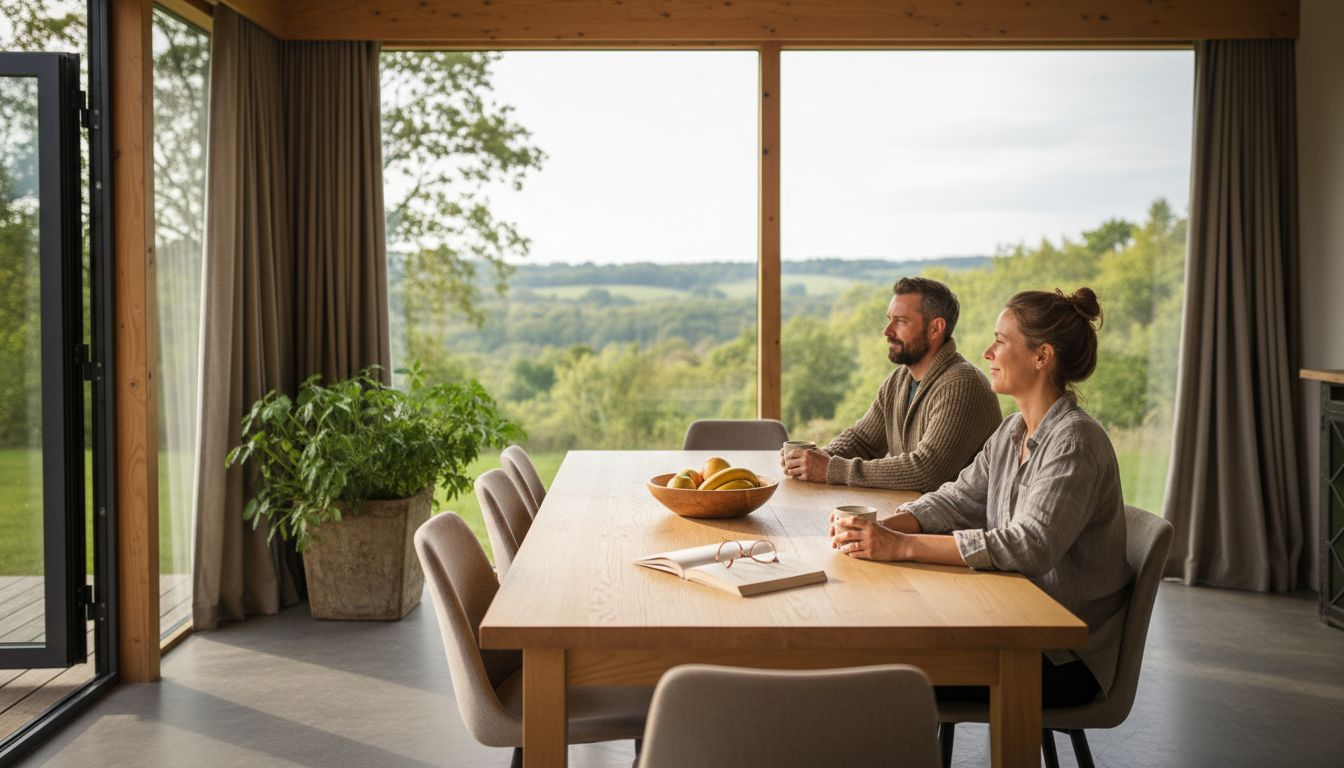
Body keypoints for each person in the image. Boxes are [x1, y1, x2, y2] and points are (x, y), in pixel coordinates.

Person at [829, 287, 1132, 706]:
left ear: (1042, 357)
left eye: (1001, 341)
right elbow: (957, 498)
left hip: (1058, 655)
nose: (988, 352)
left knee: (882, 671)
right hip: (1008, 617)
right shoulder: (1011, 431)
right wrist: (881, 526)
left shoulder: (1075, 441)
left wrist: (902, 545)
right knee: (875, 645)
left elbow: (1029, 546)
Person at [782, 277, 1001, 492]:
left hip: (954, 517)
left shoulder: (962, 385)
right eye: (889, 319)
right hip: (908, 511)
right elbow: (863, 441)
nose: (887, 331)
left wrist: (831, 469)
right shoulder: (899, 380)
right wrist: (811, 459)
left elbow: (925, 472)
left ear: (936, 328)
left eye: (901, 321)